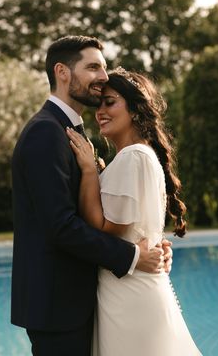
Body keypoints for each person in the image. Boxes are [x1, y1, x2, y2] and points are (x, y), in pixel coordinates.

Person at [11, 36, 173, 356]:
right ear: (63, 72)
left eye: (103, 66)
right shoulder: (45, 132)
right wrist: (132, 256)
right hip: (58, 308)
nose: (103, 75)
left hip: (80, 303)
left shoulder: (70, 130)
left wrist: (146, 240)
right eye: (93, 67)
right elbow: (60, 226)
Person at [66, 67, 202, 356]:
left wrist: (89, 170)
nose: (100, 111)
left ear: (135, 109)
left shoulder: (132, 157)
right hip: (132, 287)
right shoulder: (140, 155)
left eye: (110, 102)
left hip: (129, 296)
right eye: (99, 103)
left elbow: (106, 229)